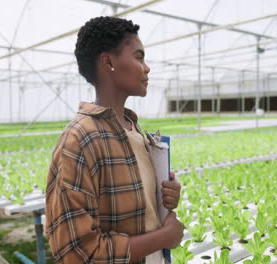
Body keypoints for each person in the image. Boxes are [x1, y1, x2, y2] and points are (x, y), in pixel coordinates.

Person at [45, 16, 184, 264]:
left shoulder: (133, 129)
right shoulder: (79, 141)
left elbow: (138, 209)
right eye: (139, 57)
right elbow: (76, 253)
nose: (147, 67)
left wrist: (162, 196)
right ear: (108, 61)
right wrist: (163, 238)